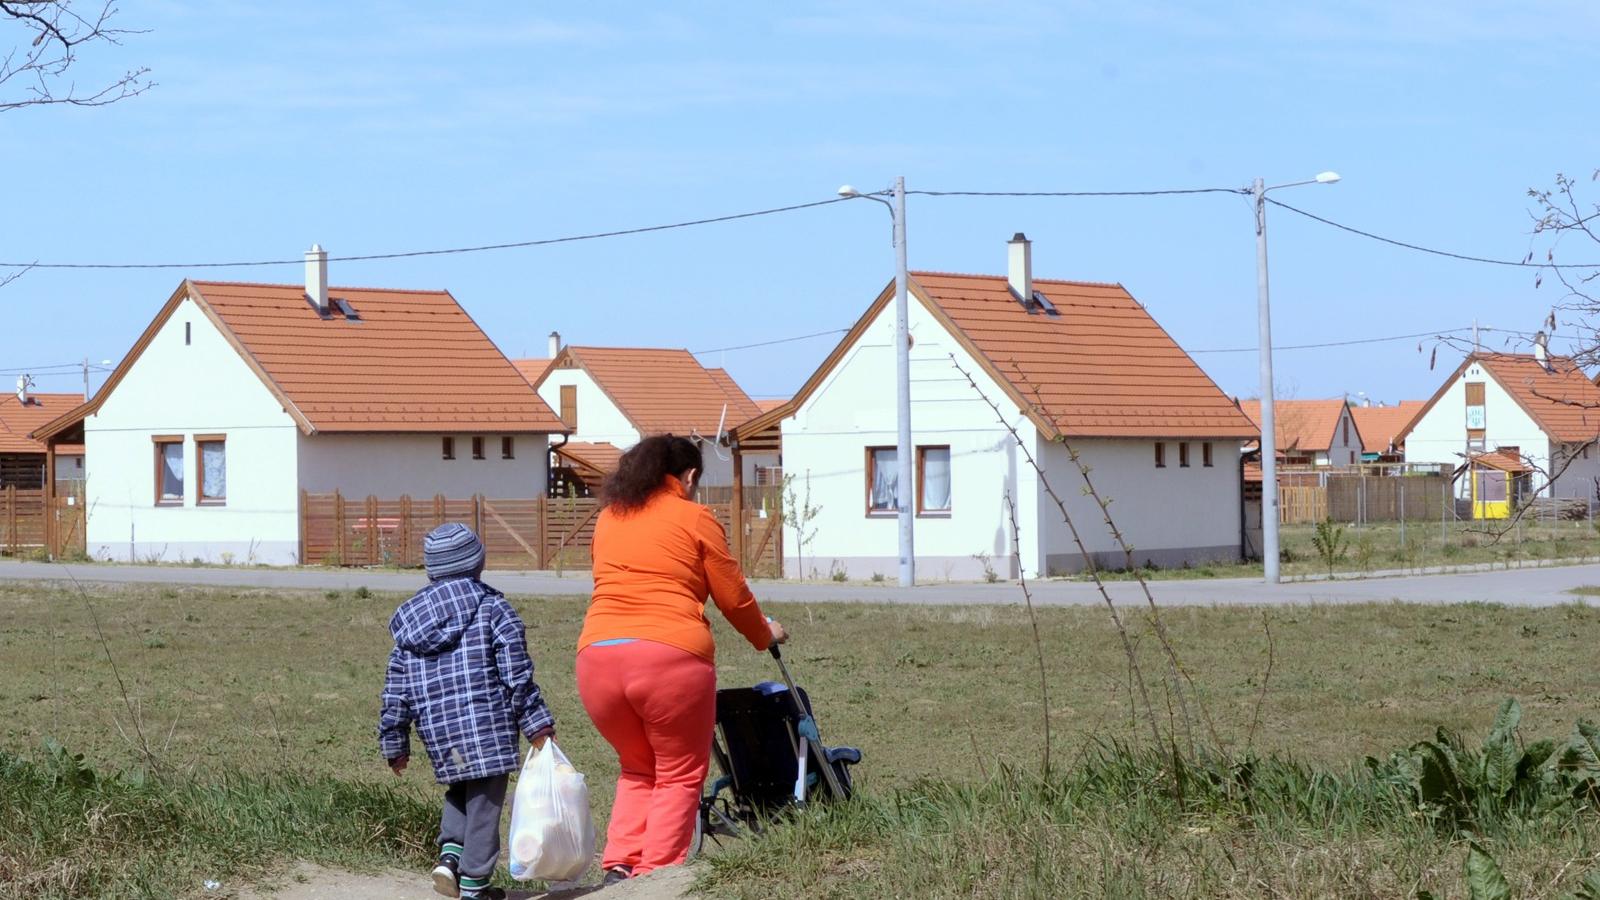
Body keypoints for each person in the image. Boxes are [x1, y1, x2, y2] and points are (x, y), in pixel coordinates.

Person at [577, 434, 787, 884]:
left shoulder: (610, 516)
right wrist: (764, 633)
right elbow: (732, 596)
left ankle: (619, 865)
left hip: (596, 657)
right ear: (689, 476)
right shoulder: (694, 517)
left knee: (637, 767)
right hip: (668, 657)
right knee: (677, 773)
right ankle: (653, 879)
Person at [379, 523, 556, 900]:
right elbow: (516, 673)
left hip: (440, 731)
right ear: (477, 563)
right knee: (486, 801)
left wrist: (395, 740)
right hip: (486, 725)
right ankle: (475, 882)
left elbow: (396, 688)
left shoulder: (411, 624)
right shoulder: (494, 608)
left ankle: (449, 857)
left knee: (460, 788)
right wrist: (536, 723)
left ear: (432, 569)